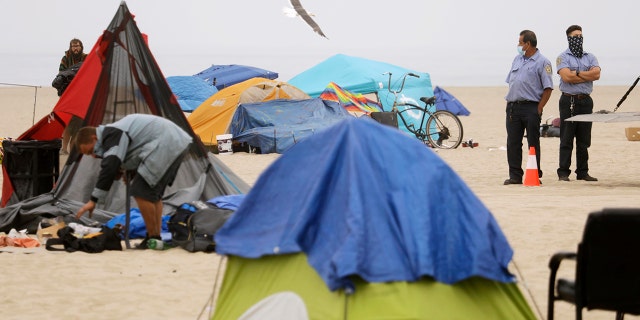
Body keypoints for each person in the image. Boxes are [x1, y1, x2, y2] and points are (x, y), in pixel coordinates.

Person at [74, 114, 193, 249]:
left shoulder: (111, 134)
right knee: (153, 194)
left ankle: (152, 237)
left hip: (166, 143)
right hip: (176, 141)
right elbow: (134, 150)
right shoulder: (114, 132)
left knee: (140, 192)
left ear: (94, 138)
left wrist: (93, 200)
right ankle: (155, 238)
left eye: (91, 151)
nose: (94, 156)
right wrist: (127, 170)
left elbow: (110, 164)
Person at [503, 30, 554, 185]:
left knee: (533, 142)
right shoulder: (517, 60)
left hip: (531, 107)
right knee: (513, 142)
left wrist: (539, 108)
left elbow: (548, 88)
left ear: (528, 44)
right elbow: (512, 81)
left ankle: (534, 173)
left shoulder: (543, 62)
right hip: (513, 107)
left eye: (520, 42)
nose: (518, 45)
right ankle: (515, 176)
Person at [556, 25, 600, 182]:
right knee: (566, 138)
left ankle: (582, 172)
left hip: (585, 101)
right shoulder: (563, 57)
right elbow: (567, 77)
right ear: (569, 38)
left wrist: (578, 73)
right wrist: (585, 75)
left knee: (584, 139)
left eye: (581, 36)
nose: (579, 39)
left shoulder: (590, 57)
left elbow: (597, 74)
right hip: (569, 100)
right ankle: (563, 172)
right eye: (575, 36)